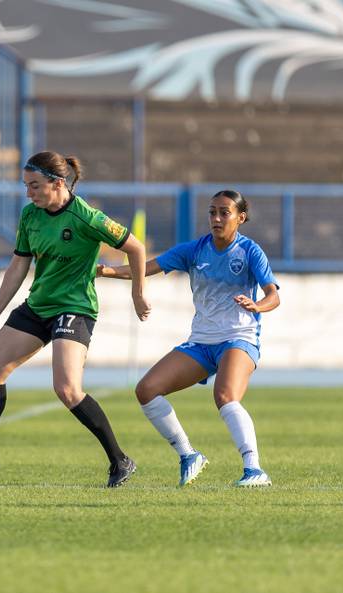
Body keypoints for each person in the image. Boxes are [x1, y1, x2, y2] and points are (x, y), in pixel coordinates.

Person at [0, 151, 151, 487]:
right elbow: (20, 265)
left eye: (34, 186)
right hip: (39, 306)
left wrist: (137, 293)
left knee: (66, 389)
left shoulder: (87, 217)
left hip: (75, 308)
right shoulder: (29, 216)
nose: (28, 193)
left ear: (58, 183)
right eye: (26, 186)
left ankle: (120, 460)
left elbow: (136, 248)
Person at [98, 189, 280, 487]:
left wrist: (257, 305)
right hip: (201, 342)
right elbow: (145, 269)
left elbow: (273, 295)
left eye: (224, 212)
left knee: (225, 396)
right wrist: (105, 270)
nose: (217, 218)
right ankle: (188, 454)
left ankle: (254, 469)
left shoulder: (250, 251)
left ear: (241, 218)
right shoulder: (195, 250)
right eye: (212, 212)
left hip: (238, 338)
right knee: (146, 390)